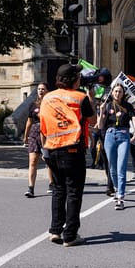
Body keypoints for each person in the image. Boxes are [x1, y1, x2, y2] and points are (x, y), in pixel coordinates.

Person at [39, 63, 96, 247]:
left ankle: (55, 230)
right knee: (73, 193)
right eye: (78, 76)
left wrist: (44, 148)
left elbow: (43, 126)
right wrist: (91, 98)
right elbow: (93, 120)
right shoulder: (80, 97)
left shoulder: (47, 98)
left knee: (58, 190)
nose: (80, 78)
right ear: (73, 79)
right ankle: (70, 235)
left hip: (51, 149)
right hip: (72, 150)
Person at [97, 83, 135, 210]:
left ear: (123, 93)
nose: (117, 94)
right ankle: (116, 188)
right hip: (110, 136)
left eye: (120, 91)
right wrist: (101, 111)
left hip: (123, 135)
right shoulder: (108, 105)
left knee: (121, 167)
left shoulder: (128, 106)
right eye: (115, 91)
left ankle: (120, 196)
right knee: (112, 168)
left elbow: (134, 120)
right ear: (112, 92)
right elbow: (100, 126)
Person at [23, 82, 54, 197]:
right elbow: (29, 121)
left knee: (48, 161)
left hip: (47, 134)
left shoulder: (51, 104)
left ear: (47, 91)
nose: (40, 91)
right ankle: (31, 188)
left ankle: (51, 184)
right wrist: (26, 136)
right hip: (34, 134)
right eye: (39, 89)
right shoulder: (33, 105)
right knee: (32, 161)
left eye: (43, 89)